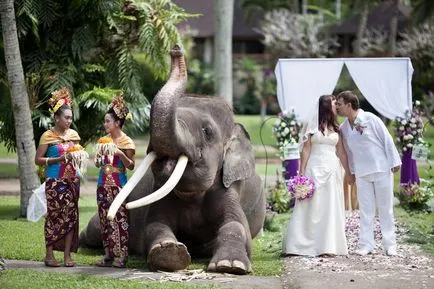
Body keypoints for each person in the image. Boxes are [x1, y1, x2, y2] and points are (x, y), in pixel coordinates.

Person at [283, 95, 352, 257]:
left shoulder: (337, 128)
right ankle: (299, 245)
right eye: (334, 103)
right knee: (310, 206)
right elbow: (306, 150)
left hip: (332, 169)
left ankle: (327, 245)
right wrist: (301, 173)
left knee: (329, 206)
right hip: (314, 168)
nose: (337, 105)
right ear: (326, 106)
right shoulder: (311, 126)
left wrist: (349, 172)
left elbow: (341, 152)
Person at [336, 90, 401, 256]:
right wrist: (350, 173)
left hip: (381, 168)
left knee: (385, 209)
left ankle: (390, 245)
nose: (336, 107)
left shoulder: (371, 119)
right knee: (366, 210)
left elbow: (386, 139)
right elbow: (348, 153)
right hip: (362, 173)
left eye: (339, 104)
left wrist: (395, 161)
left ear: (349, 105)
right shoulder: (343, 128)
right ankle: (366, 245)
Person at [35, 88, 81, 267]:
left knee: (71, 217)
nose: (69, 121)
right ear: (56, 118)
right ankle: (49, 255)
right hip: (55, 182)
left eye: (71, 118)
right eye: (66, 118)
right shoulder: (48, 136)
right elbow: (38, 160)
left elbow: (78, 155)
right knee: (54, 216)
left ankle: (67, 256)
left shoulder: (74, 135)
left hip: (72, 181)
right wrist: (59, 159)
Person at [95, 94, 135, 268]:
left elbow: (131, 166)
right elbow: (99, 163)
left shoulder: (127, 142)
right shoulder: (103, 141)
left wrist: (119, 153)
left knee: (120, 220)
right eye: (105, 122)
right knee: (104, 219)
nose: (105, 125)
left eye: (107, 121)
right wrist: (98, 161)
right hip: (102, 184)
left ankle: (121, 256)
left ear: (117, 123)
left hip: (119, 185)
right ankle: (108, 255)